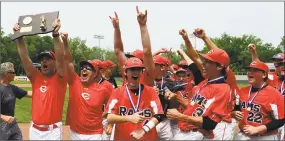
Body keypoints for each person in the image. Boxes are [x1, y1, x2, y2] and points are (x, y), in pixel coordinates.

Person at [179, 28, 238, 140]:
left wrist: (205, 38)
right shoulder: (207, 78)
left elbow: (221, 56)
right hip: (207, 123)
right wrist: (186, 39)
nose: (203, 64)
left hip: (222, 122)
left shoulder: (226, 77)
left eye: (208, 62)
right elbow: (195, 58)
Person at [13, 19, 67, 140]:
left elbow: (60, 56)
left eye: (48, 58)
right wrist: (19, 37)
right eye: (42, 59)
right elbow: (24, 57)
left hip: (53, 131)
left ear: (55, 63)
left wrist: (56, 35)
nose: (44, 61)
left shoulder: (60, 78)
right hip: (35, 131)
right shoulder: (35, 77)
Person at [166, 47, 231, 140]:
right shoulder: (204, 82)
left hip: (196, 134)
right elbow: (192, 106)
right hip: (184, 131)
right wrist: (177, 97)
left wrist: (179, 116)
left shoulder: (223, 89)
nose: (203, 63)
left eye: (208, 61)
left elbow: (210, 123)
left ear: (219, 66)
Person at [105, 57, 164, 140]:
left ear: (142, 73)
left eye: (138, 69)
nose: (135, 72)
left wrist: (143, 130)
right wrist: (129, 118)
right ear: (126, 72)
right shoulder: (117, 92)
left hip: (147, 137)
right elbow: (110, 117)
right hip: (123, 138)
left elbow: (159, 115)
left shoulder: (151, 91)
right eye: (132, 69)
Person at [233, 60, 285, 140]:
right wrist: (234, 113)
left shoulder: (275, 94)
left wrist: (258, 129)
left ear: (264, 75)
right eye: (249, 70)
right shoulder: (242, 91)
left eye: (255, 71)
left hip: (265, 136)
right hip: (243, 135)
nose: (250, 73)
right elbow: (236, 108)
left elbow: (280, 120)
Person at [0, 62, 32, 140]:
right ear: (7, 74)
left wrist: (46, 91)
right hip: (1, 125)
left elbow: (29, 94)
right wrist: (2, 117)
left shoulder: (12, 88)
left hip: (12, 123)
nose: (15, 74)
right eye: (13, 72)